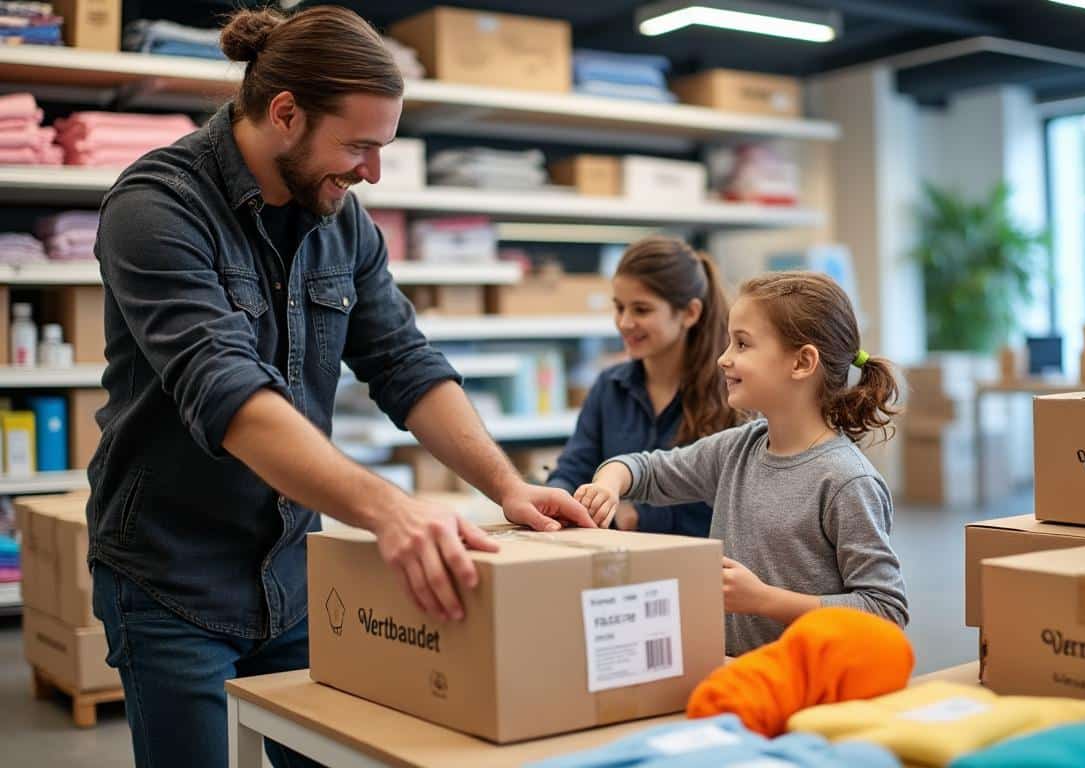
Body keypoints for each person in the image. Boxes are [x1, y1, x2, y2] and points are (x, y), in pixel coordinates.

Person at [87, 7, 590, 767]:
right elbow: (226, 392)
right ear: (285, 113)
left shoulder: (344, 225)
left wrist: (505, 486)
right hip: (171, 584)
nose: (371, 172)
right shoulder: (157, 207)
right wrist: (392, 511)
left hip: (294, 579)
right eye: (358, 145)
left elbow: (404, 363)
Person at [574, 271, 910, 655]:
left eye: (742, 344)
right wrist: (608, 484)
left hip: (812, 691)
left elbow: (885, 612)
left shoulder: (847, 481)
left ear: (802, 362)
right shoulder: (738, 448)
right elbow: (648, 469)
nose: (723, 358)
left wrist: (763, 599)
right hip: (740, 674)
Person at [546, 236, 739, 536]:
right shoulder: (609, 387)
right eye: (619, 307)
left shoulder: (732, 393)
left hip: (704, 569)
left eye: (641, 310)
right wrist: (556, 498)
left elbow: (731, 508)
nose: (624, 322)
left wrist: (636, 516)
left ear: (690, 313)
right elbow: (573, 469)